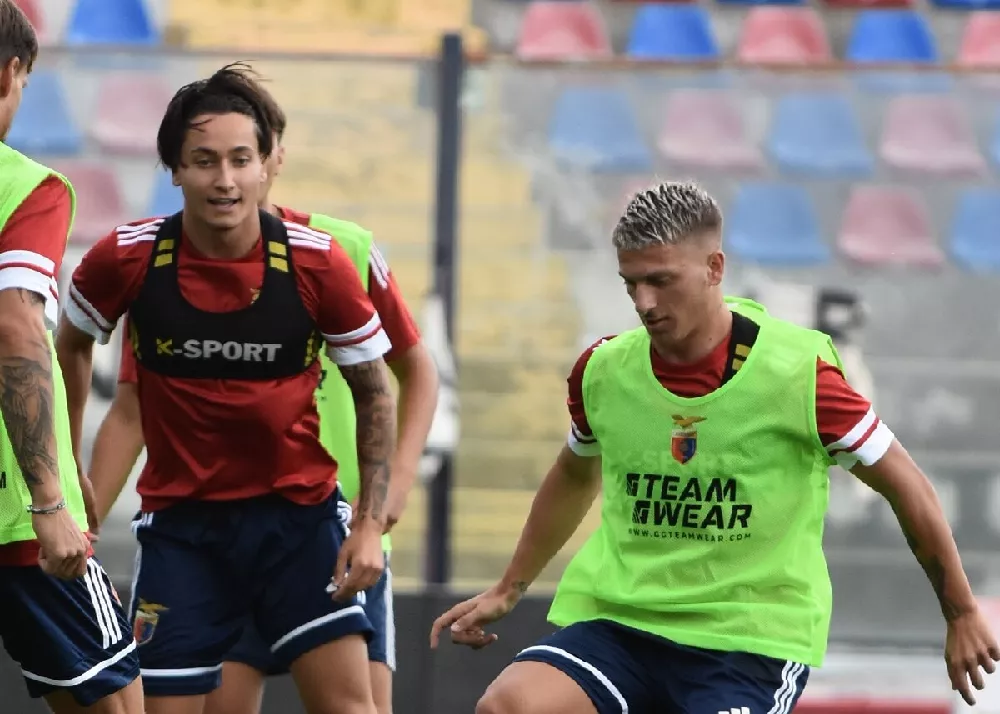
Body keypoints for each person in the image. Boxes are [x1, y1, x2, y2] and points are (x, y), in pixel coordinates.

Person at [430, 181, 1000, 714]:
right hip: (624, 626)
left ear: (714, 268)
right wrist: (509, 588)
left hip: (747, 642)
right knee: (509, 704)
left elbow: (904, 482)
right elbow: (575, 473)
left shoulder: (800, 376)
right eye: (631, 283)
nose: (644, 301)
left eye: (661, 279)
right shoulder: (602, 371)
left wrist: (961, 612)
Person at [55, 63, 396, 714]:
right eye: (204, 160)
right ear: (175, 169)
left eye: (242, 158)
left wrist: (372, 524)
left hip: (299, 525)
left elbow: (377, 391)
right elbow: (68, 345)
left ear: (269, 164)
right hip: (182, 534)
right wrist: (70, 472)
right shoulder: (126, 258)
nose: (225, 179)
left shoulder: (318, 261)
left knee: (355, 708)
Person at [0, 2, 144, 712]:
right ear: (11, 73)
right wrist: (50, 498)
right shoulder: (25, 186)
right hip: (18, 518)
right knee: (116, 703)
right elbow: (18, 329)